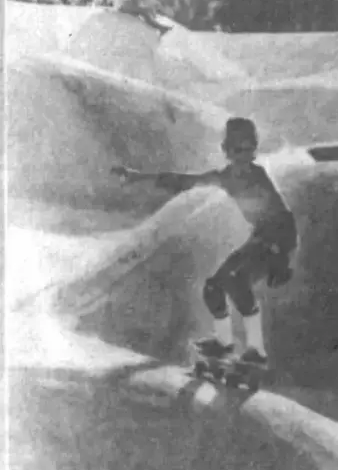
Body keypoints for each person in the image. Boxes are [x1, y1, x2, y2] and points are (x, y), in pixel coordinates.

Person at [112, 117, 297, 365]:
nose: (242, 157)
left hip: (276, 238)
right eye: (236, 150)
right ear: (227, 151)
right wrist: (137, 177)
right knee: (213, 288)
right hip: (260, 238)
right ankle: (224, 343)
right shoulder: (225, 177)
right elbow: (182, 181)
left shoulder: (258, 176)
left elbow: (284, 218)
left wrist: (282, 258)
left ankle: (256, 350)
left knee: (237, 281)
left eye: (248, 150)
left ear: (254, 150)